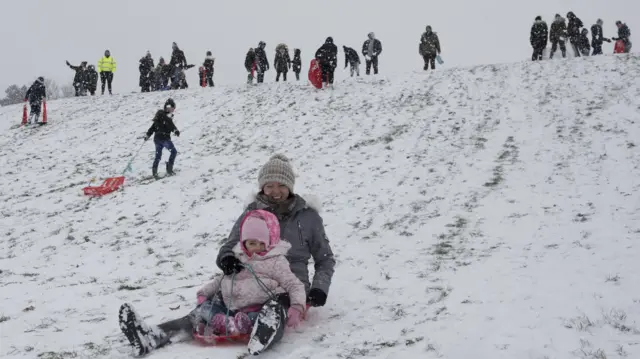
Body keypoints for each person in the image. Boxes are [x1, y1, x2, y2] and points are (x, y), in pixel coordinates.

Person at [117, 209, 306, 356]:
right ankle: (150, 337)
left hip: (259, 309)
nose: (254, 248)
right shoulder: (238, 258)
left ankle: (262, 335)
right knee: (198, 314)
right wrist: (203, 294)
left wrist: (297, 307)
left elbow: (294, 284)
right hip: (231, 309)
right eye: (250, 243)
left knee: (274, 311)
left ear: (269, 241)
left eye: (259, 243)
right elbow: (221, 280)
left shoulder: (276, 261)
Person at [216, 154, 336, 353]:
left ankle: (261, 336)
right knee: (216, 300)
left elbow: (325, 258)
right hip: (252, 277)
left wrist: (319, 288)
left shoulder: (308, 217)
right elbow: (230, 245)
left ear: (290, 186)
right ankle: (162, 333)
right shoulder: (251, 213)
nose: (275, 191)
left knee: (276, 307)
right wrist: (227, 258)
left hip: (290, 284)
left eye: (281, 185)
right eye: (269, 185)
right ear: (262, 187)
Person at [144, 99, 180, 179]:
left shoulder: (160, 115)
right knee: (173, 152)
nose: (173, 110)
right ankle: (169, 169)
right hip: (164, 138)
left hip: (157, 139)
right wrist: (175, 130)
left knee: (158, 156)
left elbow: (152, 127)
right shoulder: (165, 116)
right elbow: (170, 124)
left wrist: (148, 135)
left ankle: (154, 172)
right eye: (173, 108)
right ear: (168, 107)